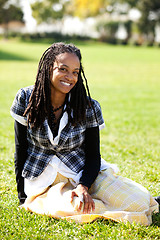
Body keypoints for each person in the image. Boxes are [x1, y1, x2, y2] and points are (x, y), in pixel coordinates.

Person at [10, 42, 159, 225]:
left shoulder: (88, 106)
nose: (70, 77)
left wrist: (83, 186)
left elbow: (93, 155)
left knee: (138, 203)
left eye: (75, 72)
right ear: (49, 68)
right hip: (45, 181)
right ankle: (47, 203)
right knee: (72, 208)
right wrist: (22, 197)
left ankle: (116, 202)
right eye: (63, 69)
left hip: (81, 171)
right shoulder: (26, 99)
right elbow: (20, 149)